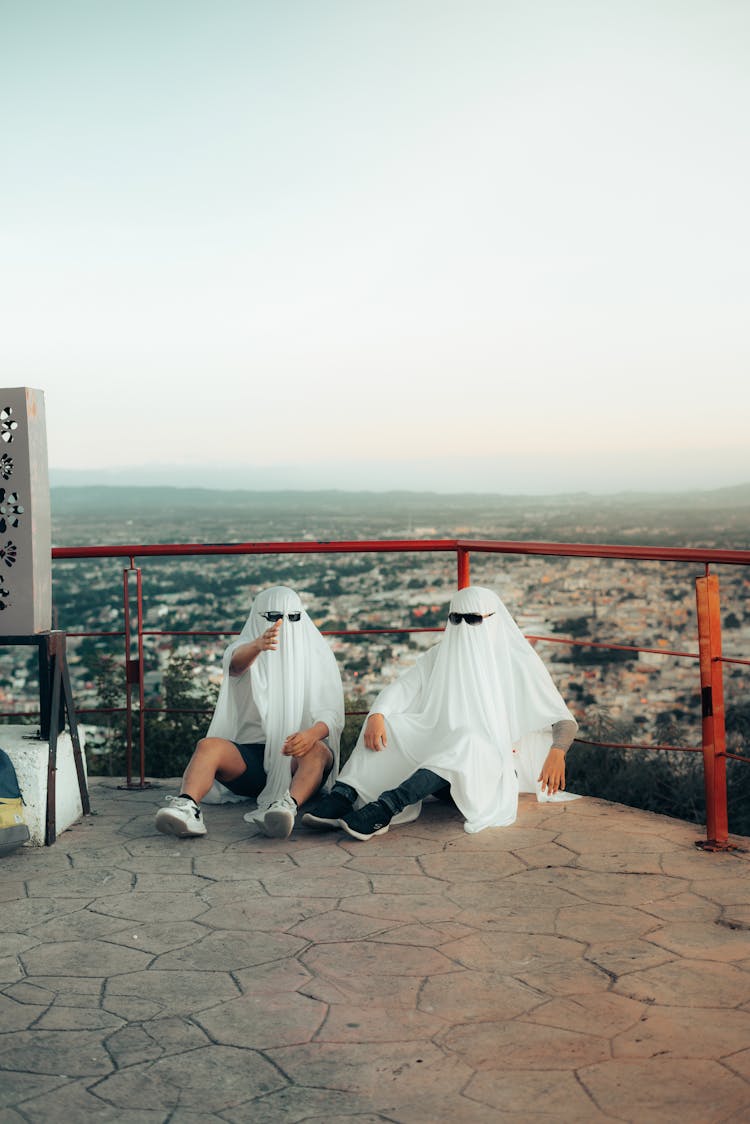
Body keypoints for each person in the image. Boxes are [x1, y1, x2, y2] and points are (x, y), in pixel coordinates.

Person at [302, 585, 578, 841]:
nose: (463, 627)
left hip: (489, 775)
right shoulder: (440, 654)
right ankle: (344, 795)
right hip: (439, 773)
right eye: (456, 619)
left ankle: (384, 809)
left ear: (493, 619)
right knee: (390, 723)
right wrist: (377, 715)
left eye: (473, 620)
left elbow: (562, 718)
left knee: (467, 740)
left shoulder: (518, 662)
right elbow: (402, 688)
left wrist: (557, 752)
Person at [155, 585, 344, 840]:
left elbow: (331, 714)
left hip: (296, 760)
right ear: (258, 617)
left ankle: (286, 807)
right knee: (208, 746)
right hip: (250, 761)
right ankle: (188, 807)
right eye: (274, 617)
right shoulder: (243, 649)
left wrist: (310, 735)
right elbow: (235, 667)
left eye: (293, 617)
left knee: (318, 751)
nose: (283, 625)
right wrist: (258, 646)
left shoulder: (318, 656)